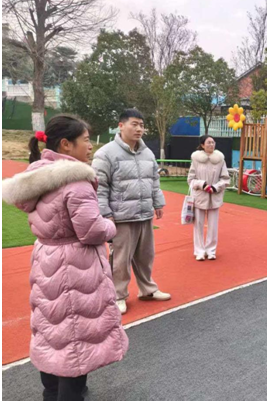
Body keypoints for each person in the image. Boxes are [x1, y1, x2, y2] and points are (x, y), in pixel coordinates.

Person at [2, 115, 128, 401]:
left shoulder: (36, 177)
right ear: (66, 145)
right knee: (76, 336)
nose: (90, 146)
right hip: (75, 265)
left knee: (51, 328)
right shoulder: (76, 182)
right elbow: (91, 230)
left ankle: (50, 391)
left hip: (46, 259)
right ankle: (70, 395)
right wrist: (110, 225)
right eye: (86, 140)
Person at [92, 108, 170, 315]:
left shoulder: (147, 153)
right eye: (134, 124)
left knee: (146, 255)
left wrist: (158, 203)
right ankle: (118, 295)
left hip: (144, 213)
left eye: (141, 125)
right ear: (121, 126)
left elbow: (154, 180)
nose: (139, 129)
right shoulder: (106, 154)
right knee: (120, 260)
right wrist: (106, 214)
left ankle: (148, 289)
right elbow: (100, 187)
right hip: (121, 217)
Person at [187, 135, 230, 261]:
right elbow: (191, 179)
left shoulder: (220, 159)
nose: (211, 144)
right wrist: (203, 185)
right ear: (202, 145)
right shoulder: (196, 159)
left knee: (213, 226)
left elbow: (225, 179)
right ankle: (199, 251)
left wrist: (216, 187)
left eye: (213, 142)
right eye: (208, 142)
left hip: (214, 197)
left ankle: (211, 251)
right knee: (198, 225)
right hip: (199, 196)